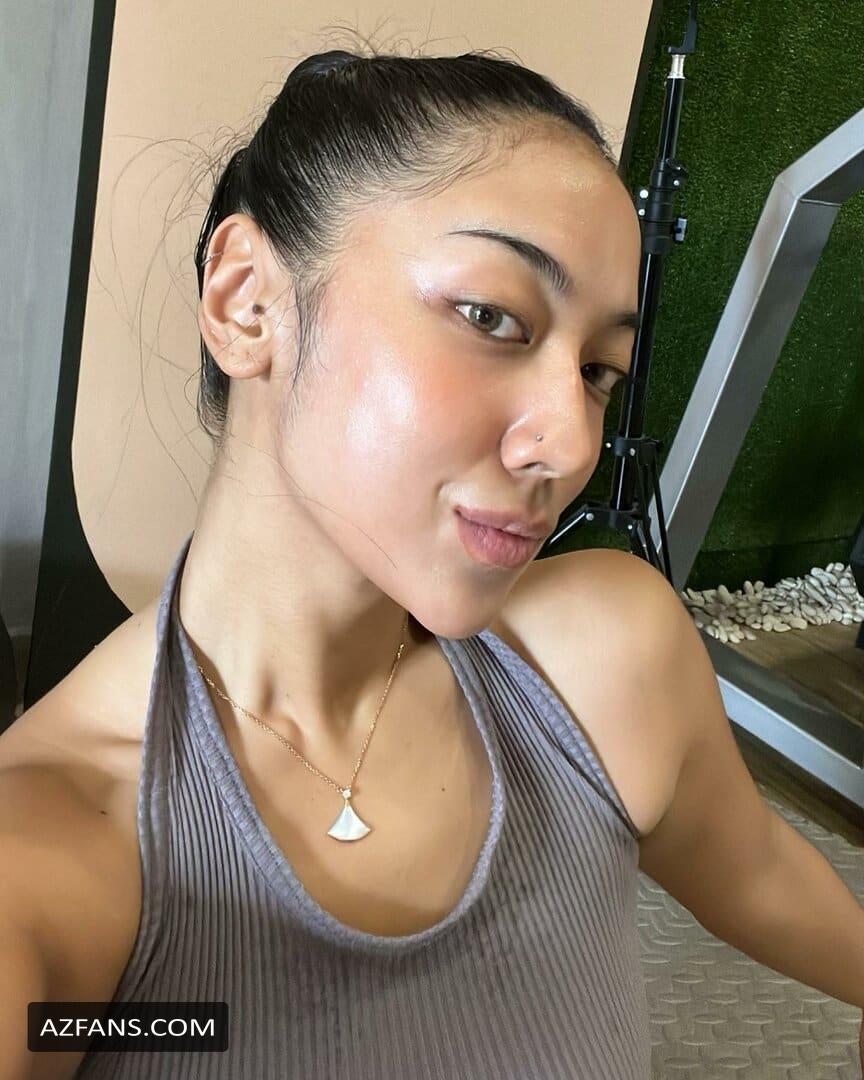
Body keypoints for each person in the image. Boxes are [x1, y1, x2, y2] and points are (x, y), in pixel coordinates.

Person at [0, 46, 776, 1079]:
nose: (572, 444)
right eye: (491, 317)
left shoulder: (602, 655)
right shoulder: (57, 840)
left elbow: (754, 873)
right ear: (248, 302)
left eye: (599, 371)